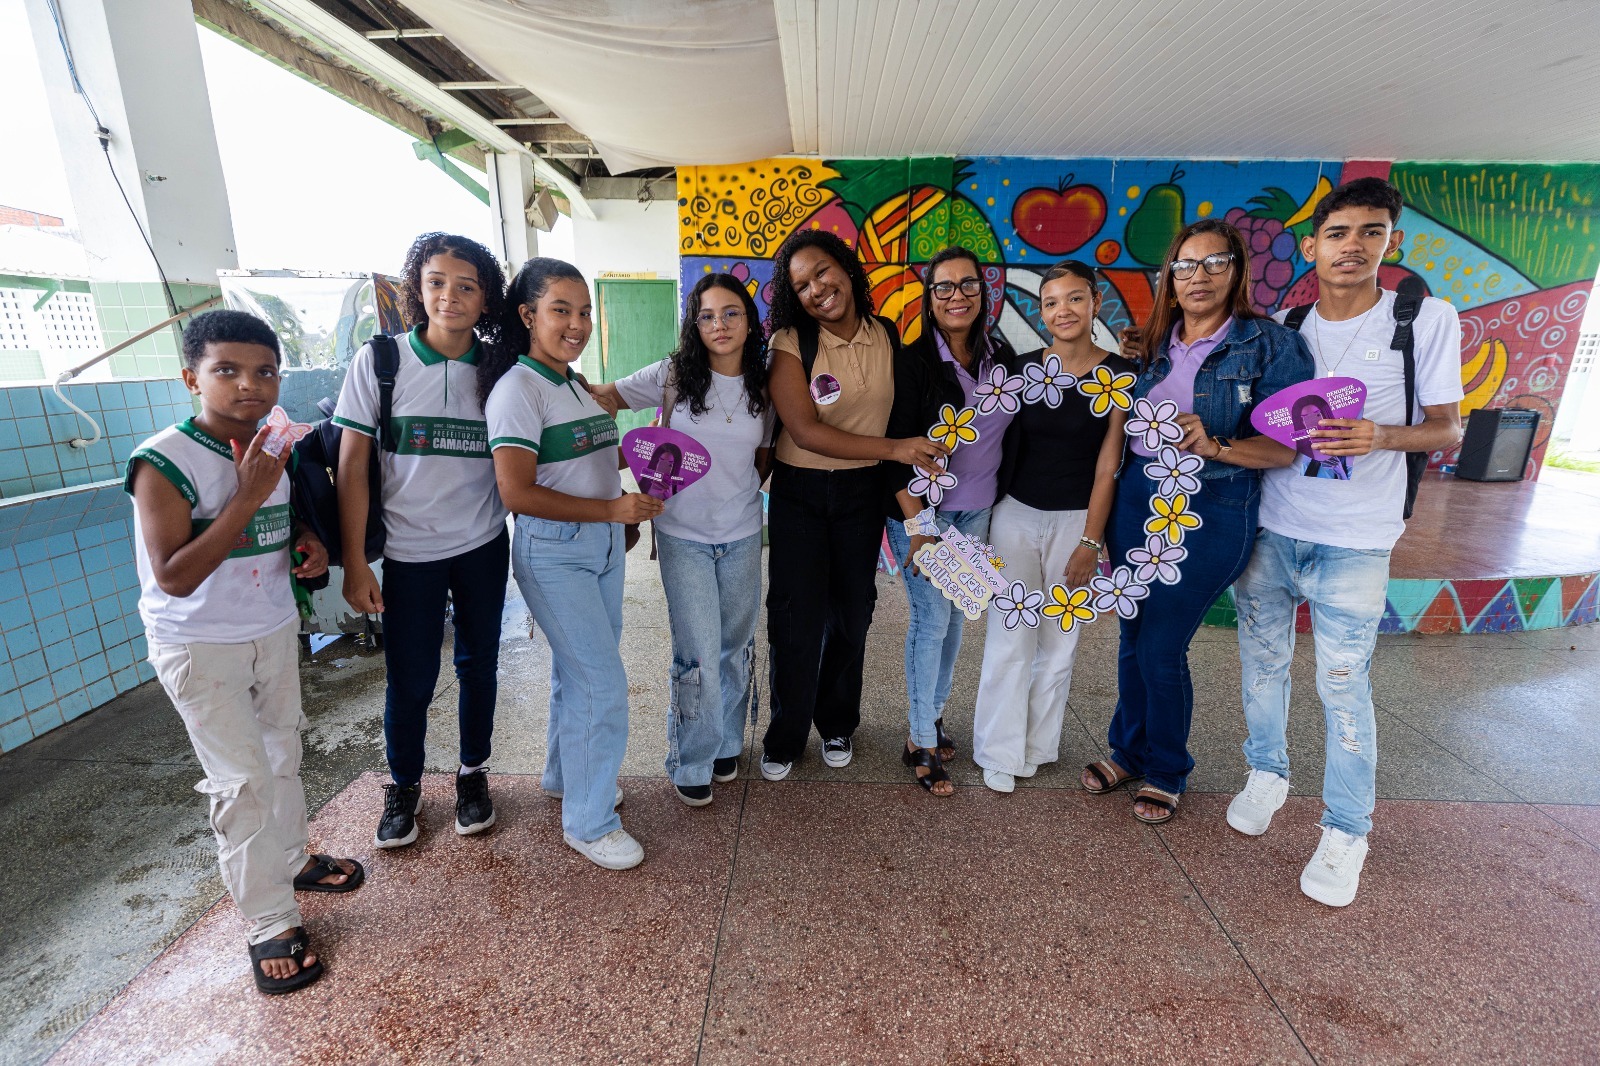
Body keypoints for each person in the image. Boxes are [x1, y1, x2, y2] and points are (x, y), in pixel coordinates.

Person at [1228, 177, 1463, 906]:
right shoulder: (1287, 326)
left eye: (1370, 232)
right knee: (1263, 664)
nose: (1353, 246)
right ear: (1312, 246)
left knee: (1342, 683)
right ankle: (1266, 773)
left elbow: (1450, 426)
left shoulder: (1420, 320)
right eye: (1338, 234)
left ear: (1390, 242)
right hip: (1275, 526)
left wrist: (1382, 436)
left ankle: (1346, 830)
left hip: (1356, 539)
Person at [129, 309, 360, 996]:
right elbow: (174, 573)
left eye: (263, 371)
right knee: (241, 784)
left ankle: (292, 860)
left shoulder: (269, 444)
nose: (249, 385)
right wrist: (250, 492)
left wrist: (305, 546)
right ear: (190, 377)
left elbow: (272, 525)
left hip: (269, 628)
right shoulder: (162, 460)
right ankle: (268, 924)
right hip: (200, 647)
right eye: (226, 370)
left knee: (284, 752)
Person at [1081, 219, 1313, 824]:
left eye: (1214, 263)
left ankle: (1166, 768)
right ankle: (1127, 750)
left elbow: (1287, 449)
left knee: (1161, 642)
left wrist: (1215, 446)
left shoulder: (1269, 345)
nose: (1198, 277)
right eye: (1185, 266)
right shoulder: (1152, 344)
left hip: (1212, 510)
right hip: (1137, 502)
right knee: (1133, 633)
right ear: (1170, 278)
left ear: (1237, 270)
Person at [481, 258, 663, 869]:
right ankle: (589, 823)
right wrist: (614, 511)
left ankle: (566, 778)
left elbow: (583, 465)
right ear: (529, 315)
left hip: (602, 547)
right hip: (555, 553)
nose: (577, 323)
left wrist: (636, 487)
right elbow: (517, 492)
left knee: (576, 673)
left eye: (584, 311)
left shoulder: (574, 385)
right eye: (561, 309)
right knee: (602, 683)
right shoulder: (518, 390)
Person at [333, 233, 510, 849]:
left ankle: (472, 774)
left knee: (478, 665)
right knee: (409, 678)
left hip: (484, 544)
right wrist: (356, 563)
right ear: (418, 289)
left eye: (466, 285)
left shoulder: (499, 369)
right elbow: (352, 467)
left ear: (486, 299)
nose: (450, 296)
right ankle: (404, 784)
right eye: (436, 281)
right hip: (409, 553)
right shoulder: (380, 362)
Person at [761, 230, 949, 782]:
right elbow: (804, 430)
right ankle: (785, 734)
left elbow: (912, 406)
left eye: (823, 272)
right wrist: (895, 449)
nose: (817, 289)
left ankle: (838, 722)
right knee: (796, 620)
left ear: (845, 267)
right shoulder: (792, 343)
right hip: (800, 492)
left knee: (853, 614)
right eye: (801, 285)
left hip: (861, 496)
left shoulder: (887, 334)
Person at [589, 274, 775, 806]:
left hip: (743, 533)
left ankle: (725, 745)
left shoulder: (764, 383)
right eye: (707, 315)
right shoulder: (673, 374)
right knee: (697, 650)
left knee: (733, 648)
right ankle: (692, 755)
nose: (720, 324)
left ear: (748, 320)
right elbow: (606, 396)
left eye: (731, 313)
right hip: (681, 537)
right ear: (694, 324)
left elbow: (763, 458)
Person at [974, 261, 1132, 793]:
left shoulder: (1118, 376)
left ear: (1095, 303)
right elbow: (985, 439)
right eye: (1050, 302)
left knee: (1059, 642)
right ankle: (998, 749)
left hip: (1076, 522)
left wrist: (1091, 541)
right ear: (1040, 312)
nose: (1062, 311)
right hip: (1014, 517)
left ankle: (1037, 746)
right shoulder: (1020, 372)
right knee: (1010, 634)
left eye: (1074, 299)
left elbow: (1108, 465)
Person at [883, 246, 1018, 795]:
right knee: (931, 621)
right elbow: (890, 449)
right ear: (930, 297)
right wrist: (917, 527)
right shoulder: (912, 363)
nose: (957, 295)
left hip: (978, 508)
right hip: (925, 515)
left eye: (968, 284)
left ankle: (932, 716)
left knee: (958, 617)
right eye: (944, 286)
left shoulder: (1003, 361)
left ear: (983, 294)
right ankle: (918, 737)